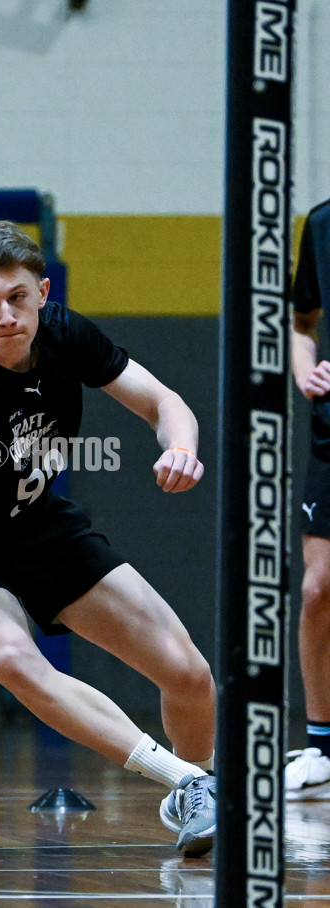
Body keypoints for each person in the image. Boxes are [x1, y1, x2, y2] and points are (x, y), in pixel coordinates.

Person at [0, 220, 217, 856]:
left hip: (42, 528)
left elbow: (163, 403)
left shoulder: (64, 333)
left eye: (18, 298)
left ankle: (198, 803)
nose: (6, 315)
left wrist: (183, 449)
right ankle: (190, 780)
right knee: (9, 654)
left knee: (190, 675)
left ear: (42, 293)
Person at [286, 198, 330, 799]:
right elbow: (302, 322)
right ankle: (322, 746)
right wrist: (306, 369)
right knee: (318, 588)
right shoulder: (321, 224)